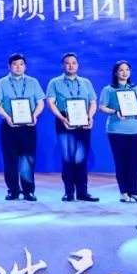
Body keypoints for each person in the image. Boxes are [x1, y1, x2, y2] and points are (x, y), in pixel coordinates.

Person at [46, 53, 99, 202]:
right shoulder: (54, 82)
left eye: (74, 63)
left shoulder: (86, 82)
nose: (71, 65)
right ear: (62, 65)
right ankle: (68, 192)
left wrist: (90, 117)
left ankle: (82, 192)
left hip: (83, 118)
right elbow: (51, 103)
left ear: (78, 65)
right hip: (64, 119)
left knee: (82, 157)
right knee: (68, 157)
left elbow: (93, 102)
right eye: (67, 63)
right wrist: (62, 118)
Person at [0, 53, 44, 201]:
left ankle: (28, 191)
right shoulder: (1, 83)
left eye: (21, 64)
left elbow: (40, 102)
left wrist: (34, 115)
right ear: (9, 66)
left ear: (25, 66)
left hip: (28, 127)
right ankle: (13, 190)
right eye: (15, 64)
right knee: (10, 160)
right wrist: (7, 117)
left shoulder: (33, 82)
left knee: (28, 160)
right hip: (9, 126)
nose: (18, 67)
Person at [99, 60, 137, 204]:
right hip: (117, 130)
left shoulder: (136, 88)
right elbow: (102, 107)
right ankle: (124, 192)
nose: (125, 72)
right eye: (121, 70)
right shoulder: (108, 89)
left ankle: (135, 192)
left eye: (127, 70)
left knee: (135, 162)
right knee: (121, 162)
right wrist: (115, 111)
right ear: (115, 73)